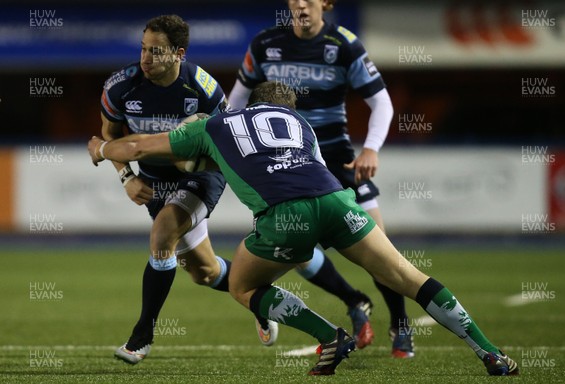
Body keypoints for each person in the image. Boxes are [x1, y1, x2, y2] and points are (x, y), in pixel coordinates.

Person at [88, 81, 519, 377]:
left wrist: (102, 148)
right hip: (336, 201)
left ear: (248, 104)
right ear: (287, 110)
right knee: (408, 277)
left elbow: (140, 146)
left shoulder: (216, 125)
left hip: (285, 216)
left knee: (241, 284)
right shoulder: (302, 126)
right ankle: (491, 352)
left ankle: (329, 336)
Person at [227, 0, 412, 356]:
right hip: (287, 167)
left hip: (339, 163)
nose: (300, 5)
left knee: (379, 250)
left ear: (325, 3)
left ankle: (401, 326)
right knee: (296, 251)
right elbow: (235, 105)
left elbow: (382, 103)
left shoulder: (344, 45)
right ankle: (355, 302)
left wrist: (371, 148)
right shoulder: (265, 44)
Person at [98, 14, 279, 364]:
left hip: (201, 175)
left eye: (156, 51)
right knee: (204, 272)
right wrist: (127, 176)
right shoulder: (121, 87)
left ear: (178, 53)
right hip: (154, 181)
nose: (145, 59)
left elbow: (226, 142)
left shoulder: (203, 89)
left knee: (162, 233)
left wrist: (195, 163)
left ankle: (141, 337)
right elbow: (109, 135)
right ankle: (261, 298)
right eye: (143, 49)